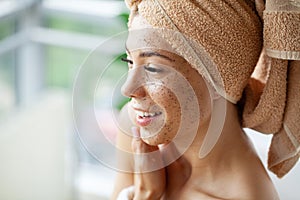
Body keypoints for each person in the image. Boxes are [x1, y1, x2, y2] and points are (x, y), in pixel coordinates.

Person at [111, 0, 300, 199]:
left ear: (219, 77)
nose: (128, 89)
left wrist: (146, 195)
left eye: (153, 68)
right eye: (130, 61)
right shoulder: (137, 130)